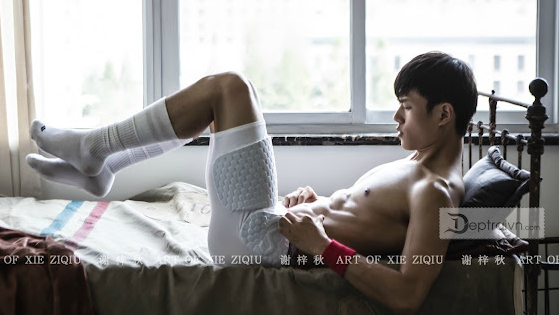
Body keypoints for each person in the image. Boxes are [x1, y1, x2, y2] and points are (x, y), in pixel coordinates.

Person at [26, 51, 477, 315]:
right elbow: (366, 218)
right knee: (236, 96)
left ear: (443, 114)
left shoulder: (436, 193)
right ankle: (103, 163)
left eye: (406, 107)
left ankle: (97, 150)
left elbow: (407, 294)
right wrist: (317, 202)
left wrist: (323, 247)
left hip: (259, 242)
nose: (396, 116)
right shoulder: (416, 164)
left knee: (229, 88)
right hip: (270, 227)